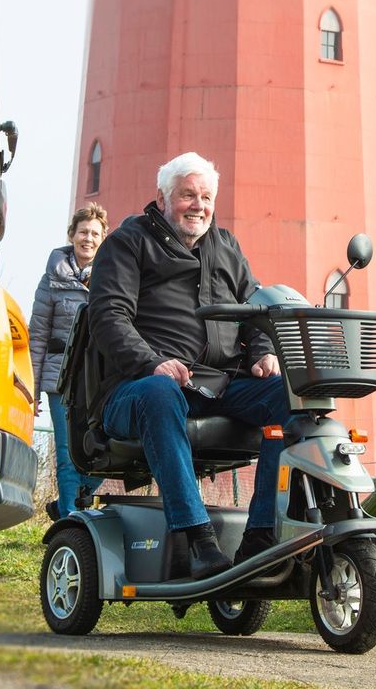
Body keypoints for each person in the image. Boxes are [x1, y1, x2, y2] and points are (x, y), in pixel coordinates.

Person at [86, 152, 288, 579]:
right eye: (188, 195)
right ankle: (197, 538)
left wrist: (262, 353)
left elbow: (257, 311)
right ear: (162, 198)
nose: (199, 205)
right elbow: (108, 318)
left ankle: (261, 537)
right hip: (137, 388)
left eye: (206, 197)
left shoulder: (228, 247)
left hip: (220, 384)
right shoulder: (128, 242)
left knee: (292, 396)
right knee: (159, 392)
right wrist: (153, 362)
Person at [30, 204, 110, 520]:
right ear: (71, 235)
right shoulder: (51, 279)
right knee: (66, 454)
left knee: (103, 449)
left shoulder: (112, 277)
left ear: (103, 239)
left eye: (94, 234)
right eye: (83, 232)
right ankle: (69, 521)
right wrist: (32, 389)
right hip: (59, 376)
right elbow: (37, 336)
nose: (87, 239)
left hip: (97, 378)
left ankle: (69, 502)